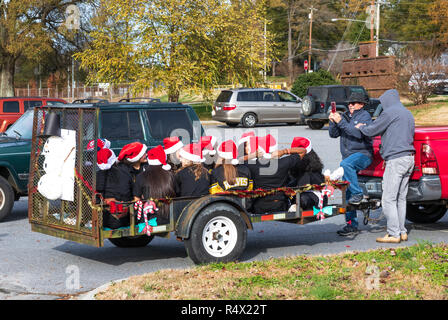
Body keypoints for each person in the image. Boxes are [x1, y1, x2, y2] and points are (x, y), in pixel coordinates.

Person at [355, 89, 415, 243]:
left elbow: (371, 130)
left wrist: (360, 127)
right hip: (409, 159)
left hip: (396, 160)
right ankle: (402, 231)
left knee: (388, 199)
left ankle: (393, 234)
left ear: (387, 101)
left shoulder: (389, 113)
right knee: (401, 199)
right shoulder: (408, 113)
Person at [329, 91, 373, 236]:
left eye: (353, 103)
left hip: (363, 155)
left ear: (362, 104)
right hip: (348, 157)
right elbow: (333, 134)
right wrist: (332, 121)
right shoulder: (346, 116)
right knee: (346, 192)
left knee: (346, 165)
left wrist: (340, 122)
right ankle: (351, 225)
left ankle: (358, 193)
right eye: (349, 103)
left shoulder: (365, 116)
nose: (350, 105)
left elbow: (358, 133)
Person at [246, 135, 306, 214]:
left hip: (259, 205)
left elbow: (236, 160)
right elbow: (303, 151)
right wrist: (283, 151)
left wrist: (252, 155)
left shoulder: (252, 165)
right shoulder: (283, 163)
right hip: (279, 204)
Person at [97, 142, 148, 229]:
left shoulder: (98, 175)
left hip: (104, 217)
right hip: (120, 218)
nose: (146, 154)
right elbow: (128, 195)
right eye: (143, 153)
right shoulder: (124, 174)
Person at [133, 145, 175, 225]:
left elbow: (136, 199)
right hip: (169, 217)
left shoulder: (141, 176)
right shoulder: (170, 175)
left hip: (148, 218)